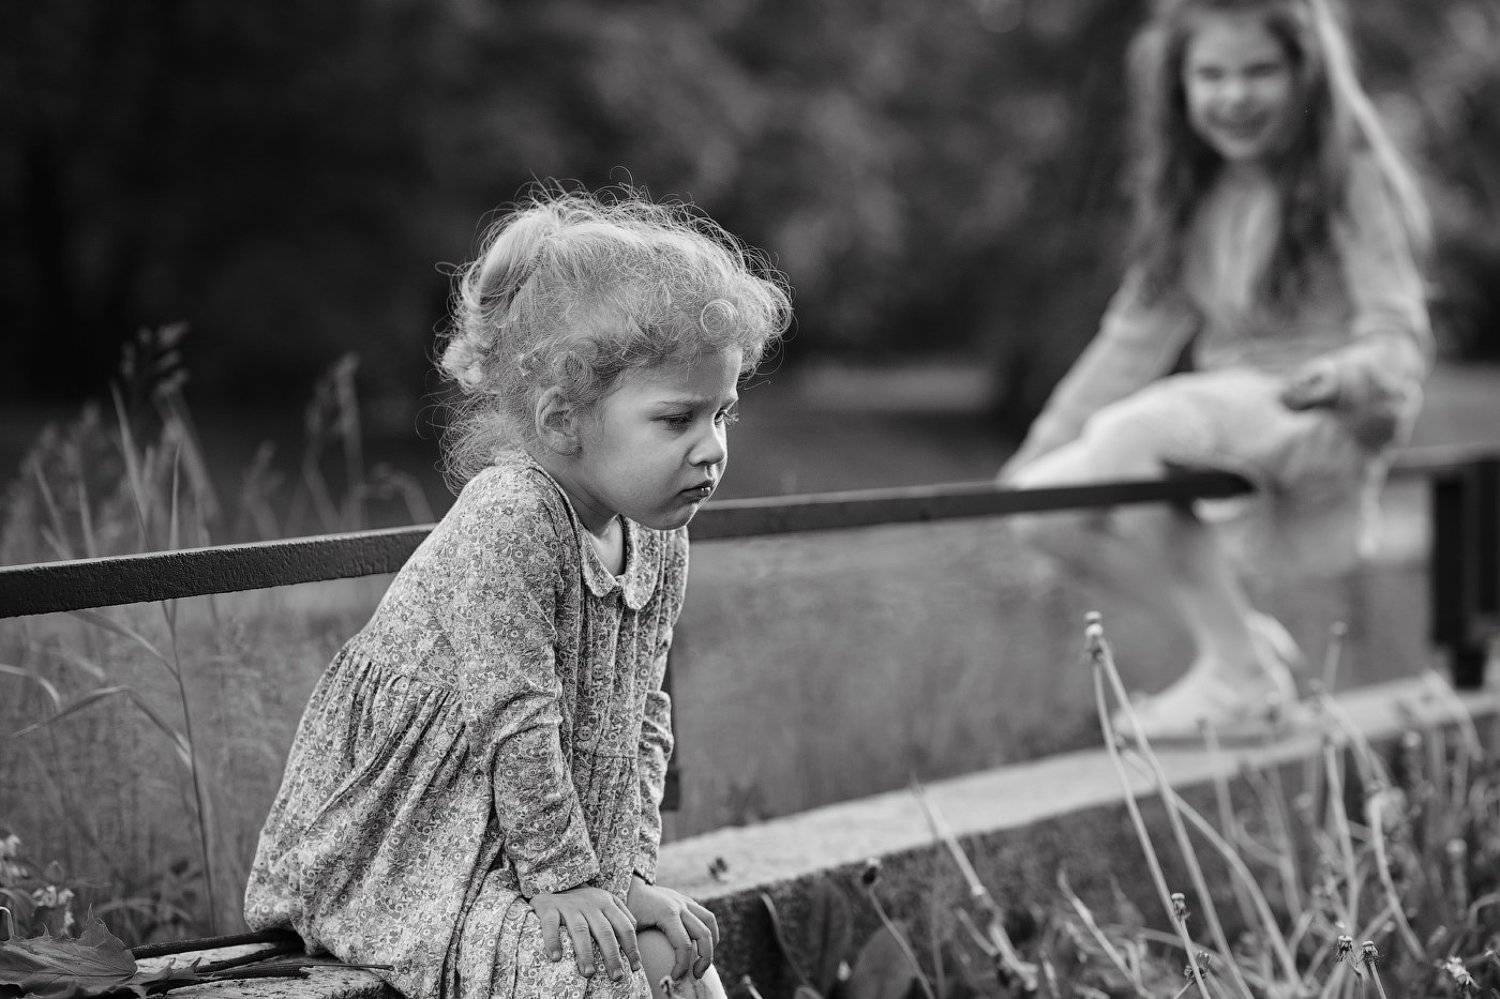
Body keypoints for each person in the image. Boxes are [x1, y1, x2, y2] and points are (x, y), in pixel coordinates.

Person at [244, 187, 791, 999]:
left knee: (683, 956)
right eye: (678, 419)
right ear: (564, 420)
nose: (711, 448)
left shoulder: (660, 534)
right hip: (415, 853)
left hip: (529, 844)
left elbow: (642, 714)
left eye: (724, 414)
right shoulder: (511, 517)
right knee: (600, 976)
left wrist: (627, 872)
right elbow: (516, 717)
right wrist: (567, 879)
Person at [998, 0, 1431, 740]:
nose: (1234, 96)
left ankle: (1240, 684)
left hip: (1318, 415)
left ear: (1307, 75)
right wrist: (1038, 453)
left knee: (1142, 431)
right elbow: (1129, 344)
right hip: (1229, 413)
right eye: (1212, 75)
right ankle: (1243, 646)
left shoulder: (1348, 176)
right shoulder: (1189, 192)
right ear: (1179, 85)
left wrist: (1343, 377)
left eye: (1260, 71)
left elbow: (1399, 338)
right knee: (1041, 511)